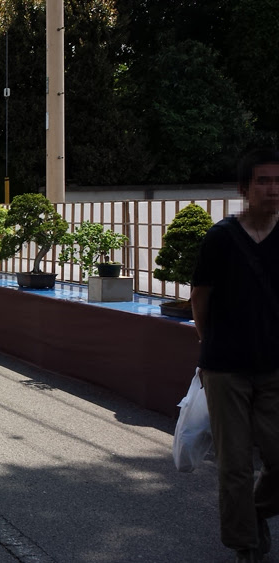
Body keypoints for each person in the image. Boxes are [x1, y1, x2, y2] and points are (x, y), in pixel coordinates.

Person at [192, 148, 279, 563]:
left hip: (274, 366)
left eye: (278, 181)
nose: (272, 189)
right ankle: (246, 543)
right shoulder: (221, 238)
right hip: (226, 367)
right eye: (263, 180)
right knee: (236, 466)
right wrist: (210, 350)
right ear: (244, 189)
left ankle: (255, 513)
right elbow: (200, 300)